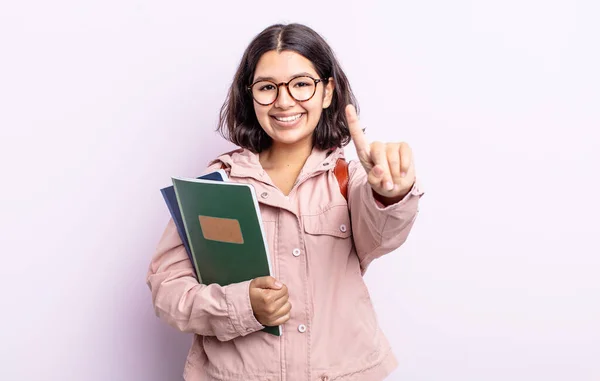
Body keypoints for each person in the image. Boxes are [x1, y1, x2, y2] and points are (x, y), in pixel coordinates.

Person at [146, 23, 424, 381]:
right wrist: (242, 306)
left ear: (327, 92)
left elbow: (383, 236)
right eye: (267, 87)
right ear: (250, 96)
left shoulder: (351, 180)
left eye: (301, 84)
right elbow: (168, 290)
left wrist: (391, 193)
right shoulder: (217, 184)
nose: (284, 100)